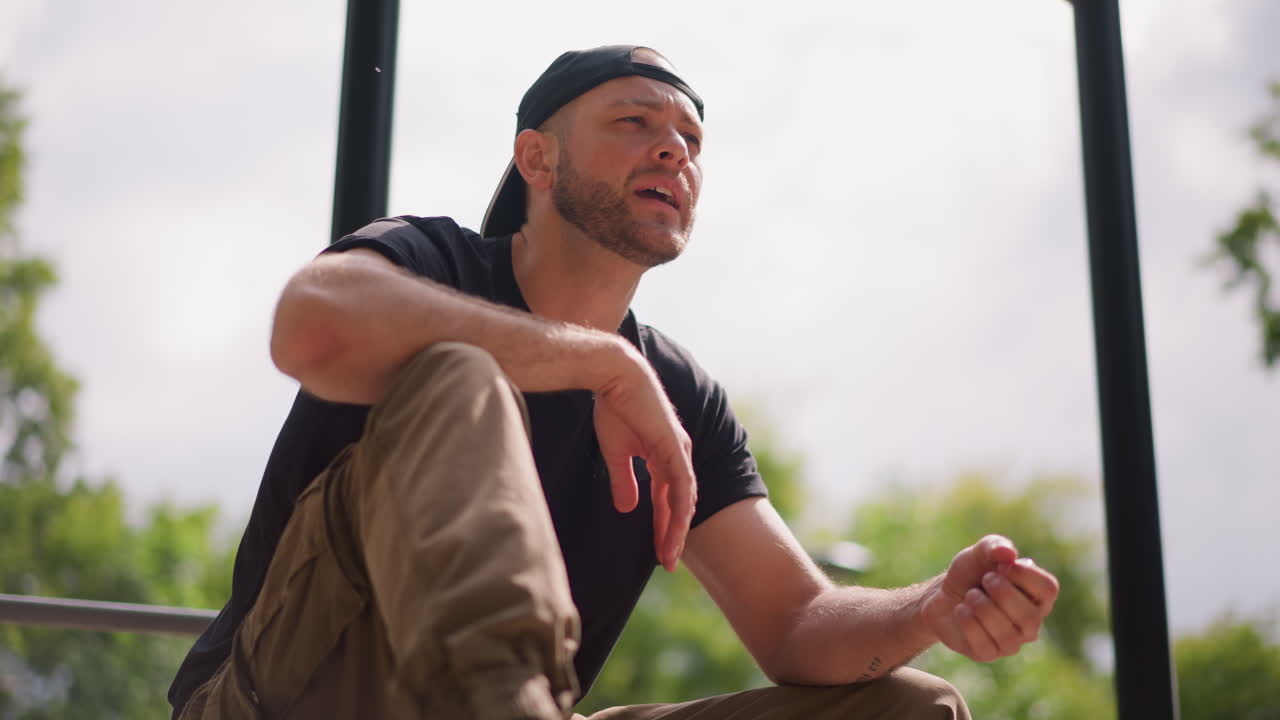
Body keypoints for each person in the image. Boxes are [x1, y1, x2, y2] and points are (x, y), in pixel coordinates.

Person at [169, 45, 1060, 719]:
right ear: (537, 159)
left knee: (914, 708)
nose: (673, 151)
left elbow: (794, 626)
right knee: (458, 374)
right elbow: (311, 325)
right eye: (635, 123)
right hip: (282, 696)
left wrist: (932, 607)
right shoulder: (430, 261)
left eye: (691, 140)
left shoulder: (682, 397)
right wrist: (601, 361)